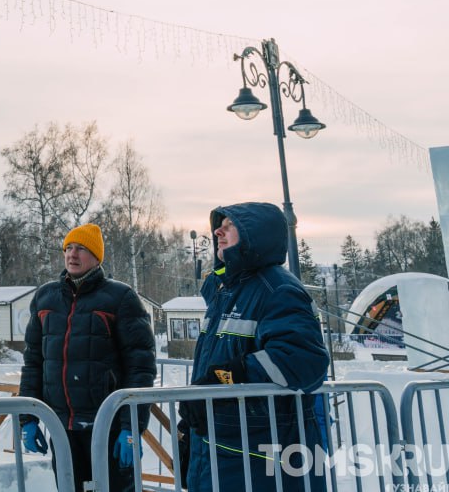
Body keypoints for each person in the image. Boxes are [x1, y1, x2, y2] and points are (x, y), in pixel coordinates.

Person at [181, 202, 329, 492]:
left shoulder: (277, 289)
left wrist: (228, 376)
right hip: (220, 442)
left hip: (261, 451)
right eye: (218, 226)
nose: (217, 231)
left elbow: (304, 361)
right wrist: (192, 421)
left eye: (229, 226)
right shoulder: (226, 292)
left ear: (254, 235)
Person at [19, 223, 156, 492]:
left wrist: (132, 427)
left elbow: (140, 366)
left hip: (108, 425)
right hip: (62, 426)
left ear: (96, 256)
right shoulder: (46, 297)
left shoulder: (120, 297)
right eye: (68, 248)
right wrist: (28, 418)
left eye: (81, 248)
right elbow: (33, 361)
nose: (72, 254)